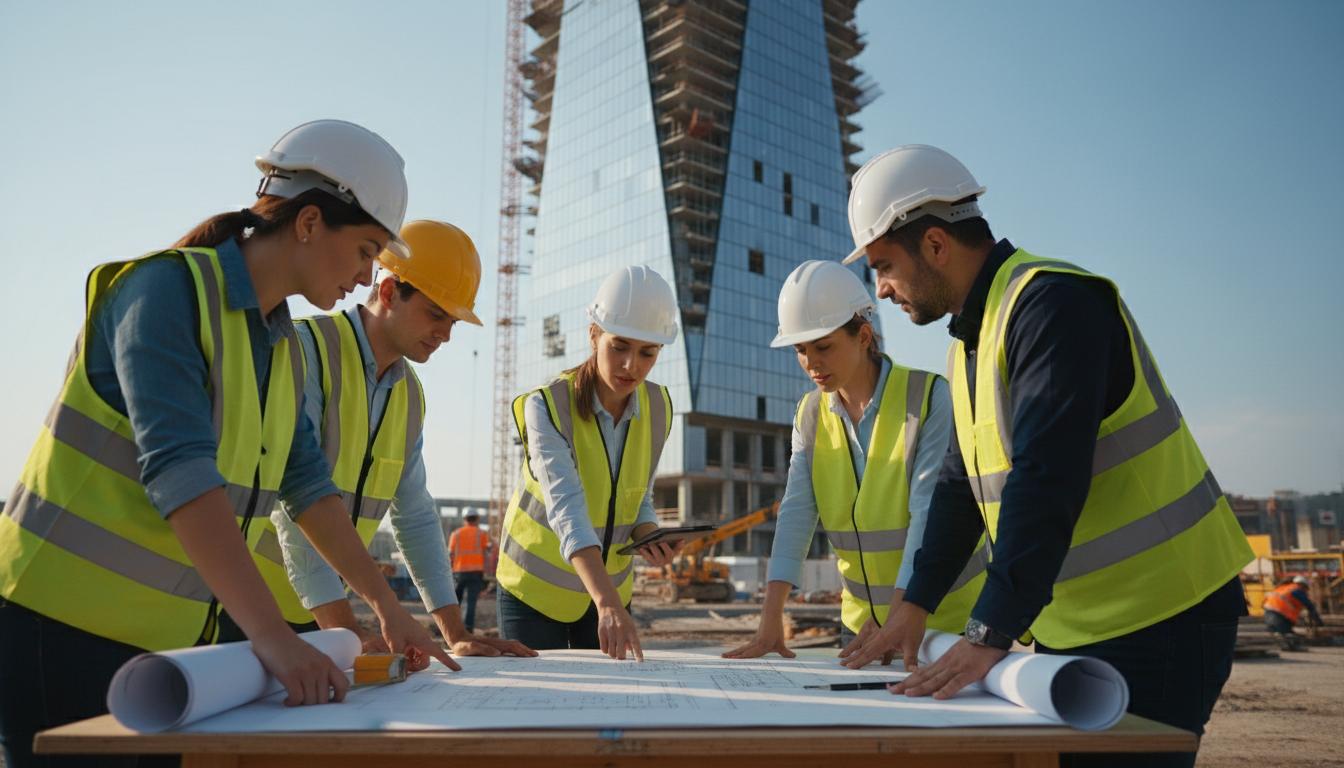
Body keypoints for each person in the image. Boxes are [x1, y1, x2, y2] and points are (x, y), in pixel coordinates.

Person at [0, 120, 456, 768]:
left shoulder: (277, 341)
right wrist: (272, 636)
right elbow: (181, 472)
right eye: (364, 250)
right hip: (59, 629)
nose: (365, 275)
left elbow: (307, 485)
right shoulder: (163, 292)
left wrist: (385, 607)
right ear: (307, 223)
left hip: (169, 651)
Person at [838, 145, 1253, 767]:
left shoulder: (1053, 303)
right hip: (1081, 624)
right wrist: (915, 604)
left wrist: (987, 632)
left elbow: (1047, 475)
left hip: (1166, 613)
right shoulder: (972, 341)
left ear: (934, 245)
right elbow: (960, 489)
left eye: (883, 266)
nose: (883, 289)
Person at [261, 220, 532, 660]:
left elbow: (416, 517)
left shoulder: (409, 394)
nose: (445, 334)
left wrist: (455, 631)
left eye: (454, 321)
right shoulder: (304, 351)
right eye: (436, 314)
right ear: (388, 293)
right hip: (248, 609)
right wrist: (348, 632)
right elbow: (294, 506)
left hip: (317, 615)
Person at [723, 260, 982, 662]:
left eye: (823, 346)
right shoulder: (809, 415)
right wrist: (770, 619)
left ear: (863, 336)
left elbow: (926, 518)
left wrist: (898, 618)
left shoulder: (929, 396)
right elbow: (795, 515)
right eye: (800, 350)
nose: (811, 363)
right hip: (861, 625)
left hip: (942, 624)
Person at [494, 266, 683, 659]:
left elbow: (638, 496)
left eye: (647, 353)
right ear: (594, 335)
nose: (632, 365)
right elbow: (567, 509)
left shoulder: (659, 407)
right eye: (619, 346)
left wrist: (648, 534)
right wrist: (608, 603)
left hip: (608, 591)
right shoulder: (547, 406)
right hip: (535, 592)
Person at [449, 511, 491, 634]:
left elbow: (450, 553)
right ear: (477, 519)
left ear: (464, 519)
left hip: (459, 571)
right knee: (471, 602)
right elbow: (487, 550)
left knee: (455, 601)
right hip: (476, 571)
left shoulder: (455, 534)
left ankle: (452, 628)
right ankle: (468, 629)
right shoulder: (482, 533)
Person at [1263, 576, 1324, 641]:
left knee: (1277, 633)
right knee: (1287, 635)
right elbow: (1309, 605)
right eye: (1306, 588)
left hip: (1268, 611)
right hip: (1280, 614)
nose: (1306, 591)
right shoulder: (1297, 589)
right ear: (1302, 585)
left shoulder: (1282, 588)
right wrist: (1318, 620)